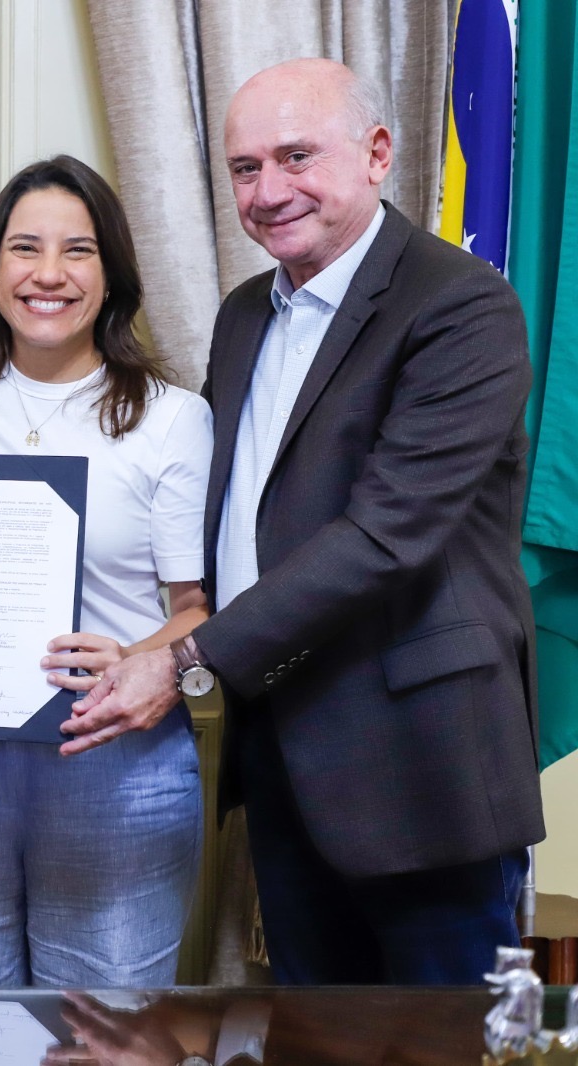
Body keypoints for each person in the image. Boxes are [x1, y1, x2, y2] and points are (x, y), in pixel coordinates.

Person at [64, 58, 545, 984]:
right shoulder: (247, 313)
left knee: (451, 1044)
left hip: (422, 765)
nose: (269, 191)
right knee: (315, 1038)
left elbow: (384, 538)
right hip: (287, 758)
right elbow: (231, 513)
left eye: (296, 157)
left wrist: (184, 658)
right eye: (245, 168)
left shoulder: (461, 305)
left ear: (377, 154)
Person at [0, 155, 213, 986]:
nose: (48, 273)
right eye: (24, 248)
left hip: (115, 761)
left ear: (112, 275)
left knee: (104, 1029)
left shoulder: (172, 418)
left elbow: (197, 608)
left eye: (78, 250)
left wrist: (138, 659)